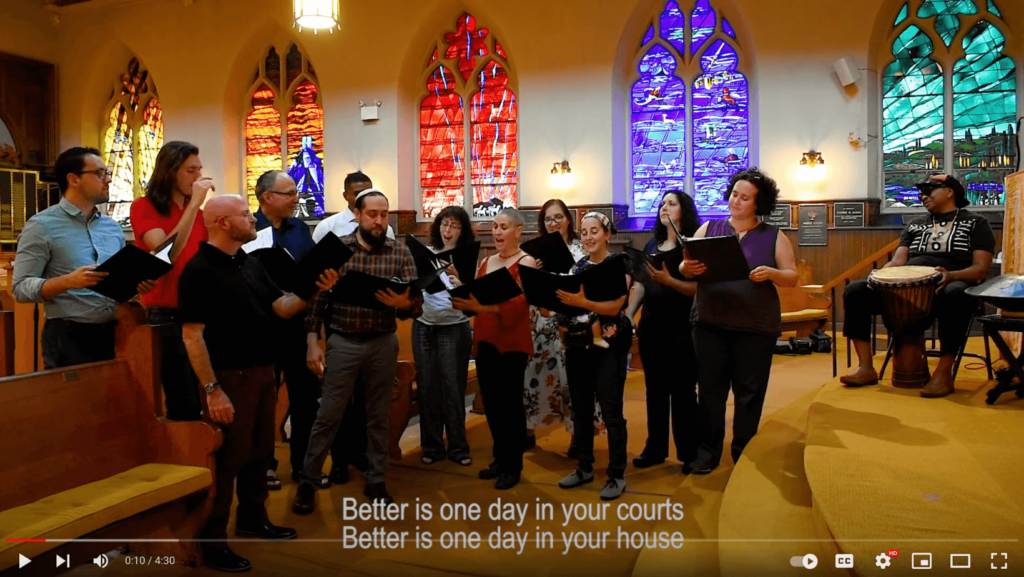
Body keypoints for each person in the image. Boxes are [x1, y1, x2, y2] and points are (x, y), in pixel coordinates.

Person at [178, 195, 338, 573]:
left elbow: (281, 307)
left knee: (260, 451)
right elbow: (192, 336)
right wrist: (212, 389)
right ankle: (212, 541)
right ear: (221, 223)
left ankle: (252, 517)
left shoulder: (249, 262)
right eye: (244, 215)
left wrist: (317, 288)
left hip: (263, 371)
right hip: (229, 376)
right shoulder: (199, 269)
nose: (252, 220)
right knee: (228, 460)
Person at [293, 188, 422, 511]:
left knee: (378, 415)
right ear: (358, 215)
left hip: (382, 342)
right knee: (329, 414)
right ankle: (308, 481)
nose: (379, 221)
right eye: (372, 214)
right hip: (344, 341)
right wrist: (312, 342)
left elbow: (414, 304)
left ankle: (376, 478)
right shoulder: (338, 250)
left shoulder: (399, 251)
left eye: (383, 215)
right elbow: (317, 300)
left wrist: (403, 302)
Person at [680, 168, 797, 474]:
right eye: (734, 194)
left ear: (759, 204)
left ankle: (744, 451)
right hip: (709, 322)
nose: (736, 201)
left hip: (754, 326)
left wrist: (771, 273)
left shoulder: (773, 235)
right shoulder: (710, 227)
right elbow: (685, 265)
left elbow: (791, 275)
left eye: (745, 198)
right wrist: (688, 268)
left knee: (749, 394)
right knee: (710, 392)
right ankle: (707, 452)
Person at [840, 174, 994, 398]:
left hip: (951, 285)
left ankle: (944, 373)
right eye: (921, 191)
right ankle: (865, 367)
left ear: (950, 192)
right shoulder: (915, 224)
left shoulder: (976, 223)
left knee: (956, 293)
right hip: (908, 291)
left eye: (929, 189)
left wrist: (951, 275)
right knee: (855, 291)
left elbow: (980, 269)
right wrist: (881, 274)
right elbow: (898, 261)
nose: (923, 195)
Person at [13, 147, 151, 369]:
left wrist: (136, 284)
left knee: (114, 403)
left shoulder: (112, 227)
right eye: (99, 173)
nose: (108, 180)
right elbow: (20, 288)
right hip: (68, 335)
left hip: (116, 331)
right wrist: (69, 281)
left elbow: (115, 280)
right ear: (74, 179)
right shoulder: (41, 226)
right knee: (73, 403)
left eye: (108, 173)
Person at [250, 170, 333, 491]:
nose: (296, 198)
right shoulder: (250, 228)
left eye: (295, 192)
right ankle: (263, 466)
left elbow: (312, 275)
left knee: (305, 401)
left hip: (298, 326)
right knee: (263, 402)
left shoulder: (300, 229)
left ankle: (304, 467)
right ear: (267, 197)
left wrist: (313, 334)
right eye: (289, 193)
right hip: (260, 328)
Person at [453, 208, 536, 490]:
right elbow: (478, 295)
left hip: (512, 344)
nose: (497, 232)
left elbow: (517, 306)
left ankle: (513, 465)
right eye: (495, 227)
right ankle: (500, 458)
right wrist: (460, 288)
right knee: (491, 403)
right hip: (487, 340)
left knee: (510, 405)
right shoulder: (486, 262)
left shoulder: (528, 262)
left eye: (503, 227)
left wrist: (479, 307)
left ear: (518, 231)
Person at [130, 141, 212, 421]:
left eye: (199, 170)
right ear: (171, 171)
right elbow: (165, 255)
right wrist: (194, 208)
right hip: (166, 312)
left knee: (209, 395)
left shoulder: (199, 215)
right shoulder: (144, 207)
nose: (198, 178)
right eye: (191, 171)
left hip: (200, 310)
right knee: (184, 400)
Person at [555, 212, 634, 501]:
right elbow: (565, 305)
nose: (588, 237)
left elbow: (615, 306)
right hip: (578, 344)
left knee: (611, 411)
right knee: (581, 408)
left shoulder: (620, 263)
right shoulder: (579, 267)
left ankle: (616, 474)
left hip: (609, 345)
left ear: (607, 234)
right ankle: (584, 467)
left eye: (594, 231)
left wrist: (582, 302)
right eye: (584, 232)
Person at [624, 190, 701, 471]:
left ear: (684, 210)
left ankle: (689, 451)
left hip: (682, 326)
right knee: (654, 391)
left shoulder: (692, 246)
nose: (664, 207)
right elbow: (641, 284)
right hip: (652, 327)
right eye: (662, 203)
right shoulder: (652, 245)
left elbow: (699, 290)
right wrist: (630, 314)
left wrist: (668, 281)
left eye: (672, 203)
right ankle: (655, 448)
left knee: (682, 391)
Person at [523, 199, 601, 457]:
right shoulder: (537, 256)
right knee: (538, 379)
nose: (553, 223)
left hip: (574, 326)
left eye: (558, 217)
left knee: (573, 383)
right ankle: (529, 430)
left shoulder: (582, 250)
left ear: (568, 219)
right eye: (548, 219)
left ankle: (578, 435)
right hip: (544, 325)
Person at [414, 206, 475, 466]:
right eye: (444, 225)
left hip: (453, 325)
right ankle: (432, 447)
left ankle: (458, 448)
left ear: (463, 231)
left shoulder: (468, 257)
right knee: (428, 387)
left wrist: (458, 278)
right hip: (424, 324)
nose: (448, 231)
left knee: (452, 387)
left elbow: (473, 297)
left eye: (454, 226)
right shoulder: (426, 254)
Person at [311, 171, 395, 242]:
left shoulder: (383, 228)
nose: (363, 197)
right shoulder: (327, 227)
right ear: (345, 195)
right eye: (357, 194)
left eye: (367, 193)